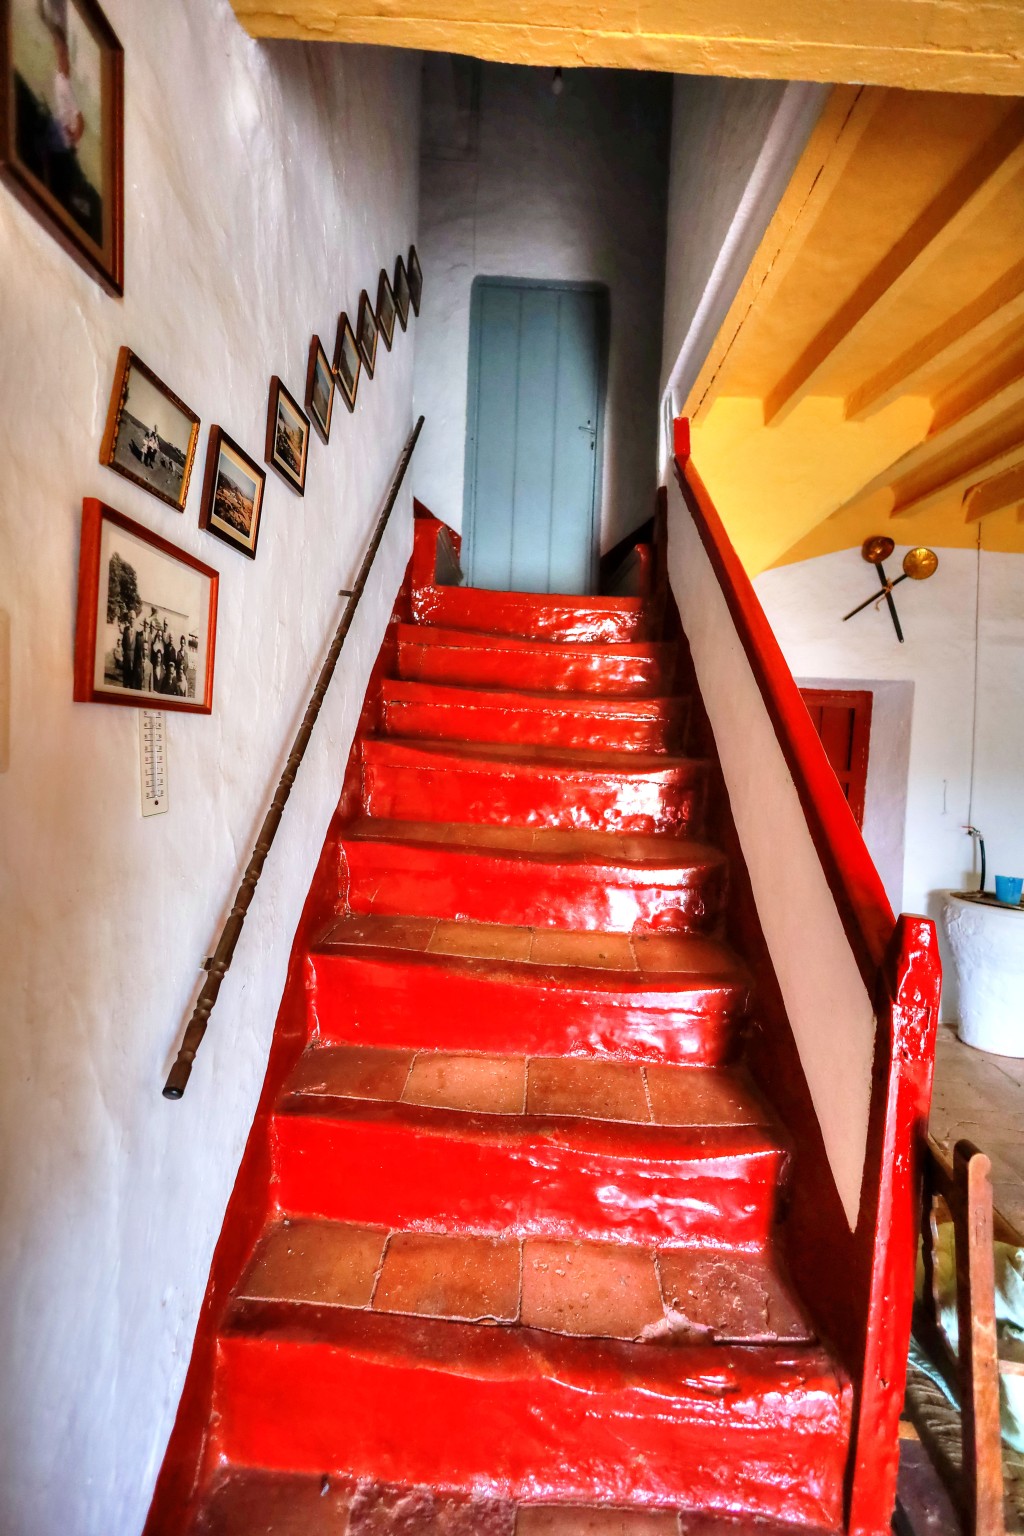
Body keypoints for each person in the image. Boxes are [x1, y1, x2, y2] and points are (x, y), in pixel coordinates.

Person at [120, 610, 135, 690]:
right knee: (125, 679)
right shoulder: (125, 629)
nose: (132, 620)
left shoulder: (136, 632)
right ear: (129, 619)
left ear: (135, 620)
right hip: (126, 656)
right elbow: (123, 643)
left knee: (132, 679)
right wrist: (124, 653)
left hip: (133, 658)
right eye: (131, 618)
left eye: (133, 618)